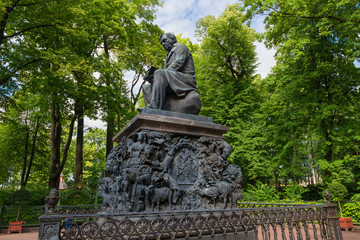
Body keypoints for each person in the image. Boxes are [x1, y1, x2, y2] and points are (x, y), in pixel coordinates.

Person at [141, 33, 199, 112]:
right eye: (162, 43)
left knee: (159, 72)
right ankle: (150, 111)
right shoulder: (167, 57)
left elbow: (178, 63)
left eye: (165, 41)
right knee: (146, 87)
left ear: (172, 39)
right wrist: (154, 78)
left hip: (185, 79)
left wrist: (162, 73)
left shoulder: (181, 47)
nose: (163, 44)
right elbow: (167, 73)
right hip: (173, 78)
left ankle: (155, 107)